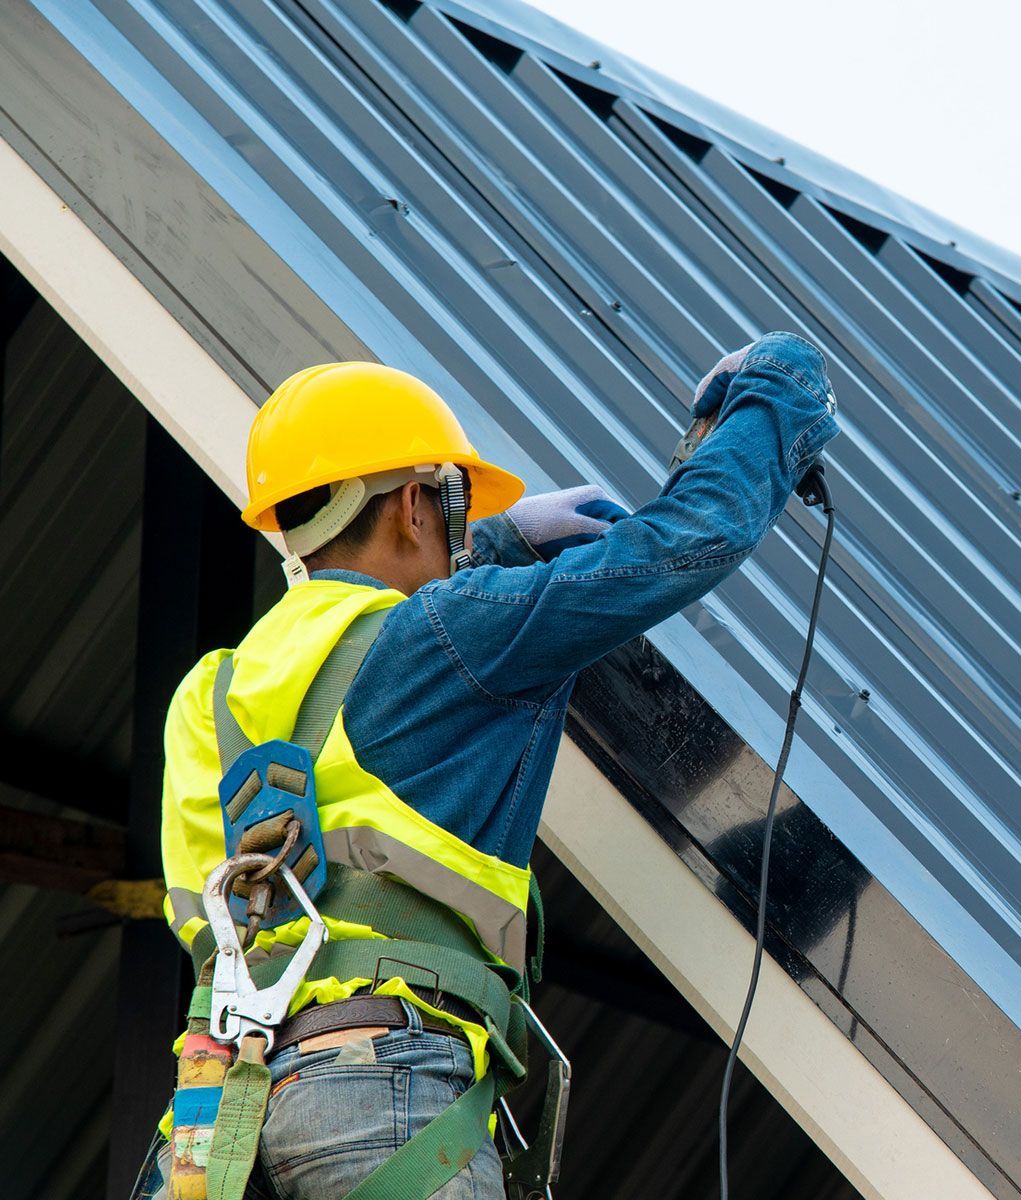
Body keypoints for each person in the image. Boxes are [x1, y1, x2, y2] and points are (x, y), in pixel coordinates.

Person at [132, 332, 839, 1200]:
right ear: (415, 507)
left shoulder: (206, 697)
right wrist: (779, 396)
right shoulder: (450, 637)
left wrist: (495, 547)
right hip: (379, 1093)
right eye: (453, 510)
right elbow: (684, 541)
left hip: (208, 1136)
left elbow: (373, 650)